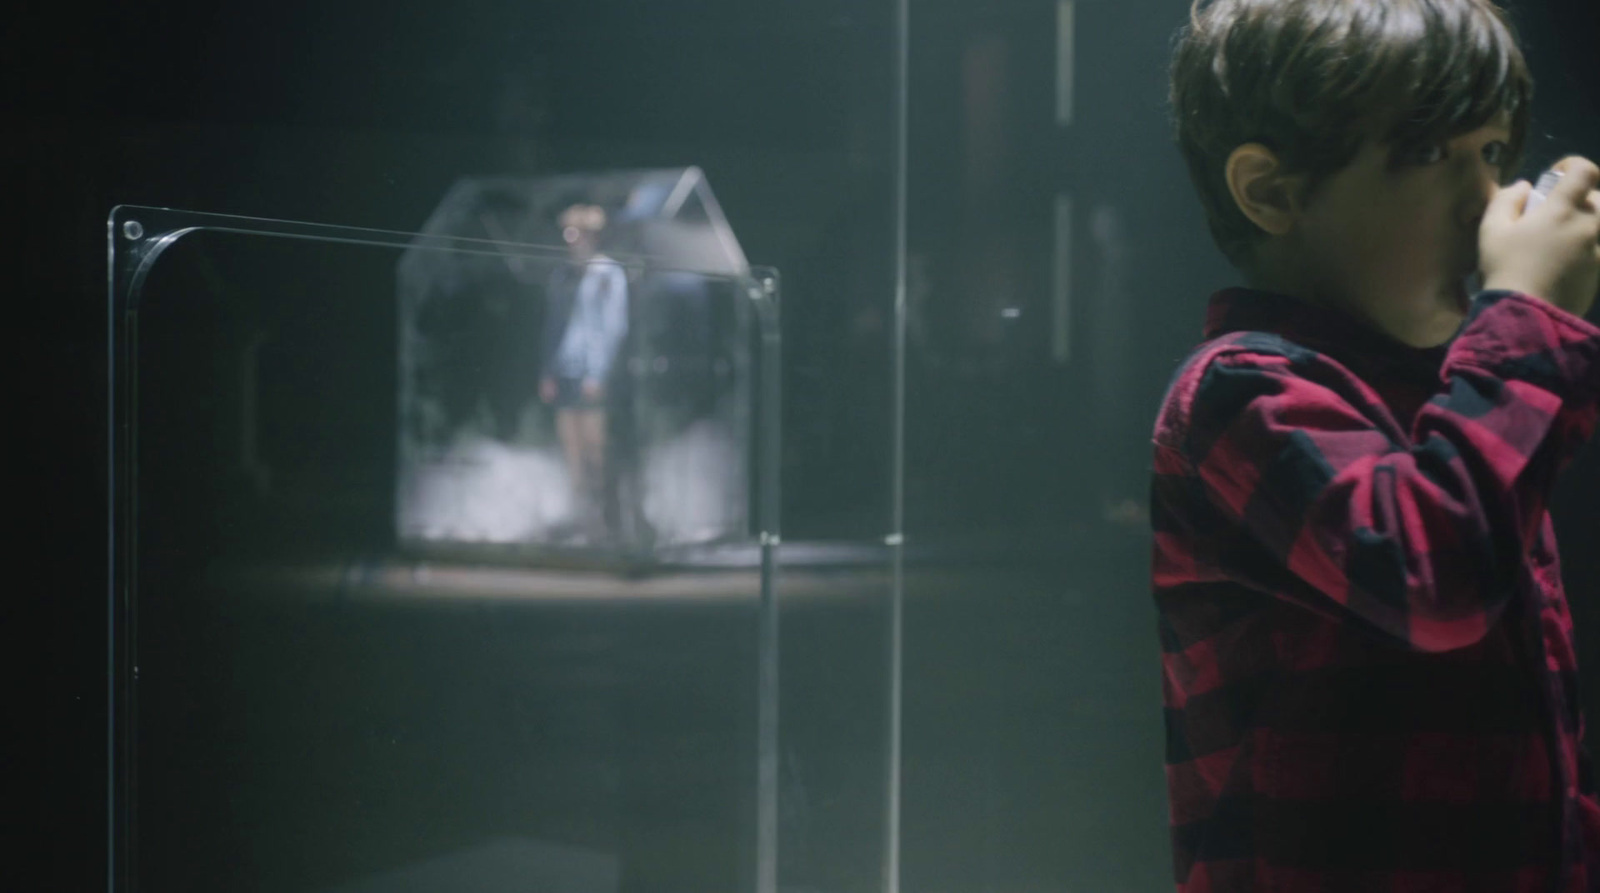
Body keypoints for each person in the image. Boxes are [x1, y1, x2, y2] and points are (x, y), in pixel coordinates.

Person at [1155, 1, 1600, 890]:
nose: (1486, 202)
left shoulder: (1456, 398)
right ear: (1271, 191)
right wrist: (1526, 320)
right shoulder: (1244, 390)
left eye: (1493, 153)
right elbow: (1435, 576)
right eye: (1431, 154)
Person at [540, 203, 629, 543]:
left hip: (593, 374)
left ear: (592, 235)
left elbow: (614, 327)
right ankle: (582, 522)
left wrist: (599, 374)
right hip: (565, 369)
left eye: (576, 233)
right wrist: (547, 370)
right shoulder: (562, 274)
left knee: (597, 450)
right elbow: (551, 325)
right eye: (567, 233)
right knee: (572, 452)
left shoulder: (608, 273)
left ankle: (605, 523)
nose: (570, 240)